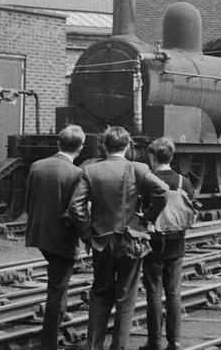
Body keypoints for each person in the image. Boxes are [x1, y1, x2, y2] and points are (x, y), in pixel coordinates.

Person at [69, 127, 167, 350]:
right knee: (126, 296)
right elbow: (162, 191)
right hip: (130, 242)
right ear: (128, 145)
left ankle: (93, 346)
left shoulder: (91, 171)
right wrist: (148, 216)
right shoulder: (138, 169)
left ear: (103, 146)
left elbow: (76, 206)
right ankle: (119, 346)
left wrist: (87, 234)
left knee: (100, 294)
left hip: (101, 242)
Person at [25, 124, 85, 349]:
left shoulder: (36, 166)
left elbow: (29, 202)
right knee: (57, 289)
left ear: (59, 143)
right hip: (61, 237)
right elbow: (76, 211)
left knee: (58, 282)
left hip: (40, 234)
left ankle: (61, 314)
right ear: (79, 149)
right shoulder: (76, 173)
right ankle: (49, 343)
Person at [140, 138, 196, 350]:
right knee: (173, 294)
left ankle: (154, 342)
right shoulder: (183, 182)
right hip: (176, 244)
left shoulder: (148, 180)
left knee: (153, 294)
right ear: (172, 157)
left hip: (152, 244)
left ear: (152, 157)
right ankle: (175, 341)